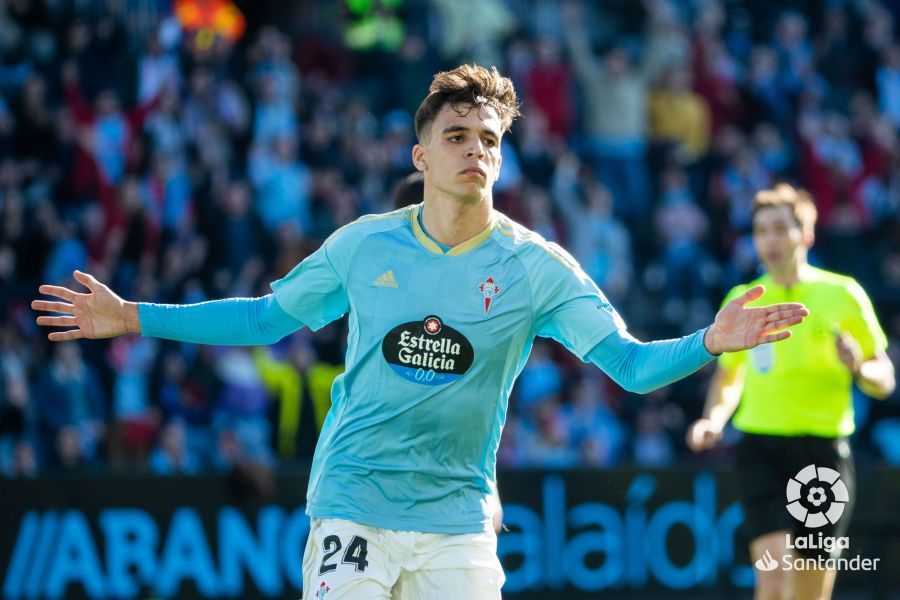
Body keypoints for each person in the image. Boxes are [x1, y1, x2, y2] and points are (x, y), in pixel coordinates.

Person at [33, 65, 809, 599]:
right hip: (352, 502)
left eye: (490, 141)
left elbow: (632, 368)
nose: (476, 150)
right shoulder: (364, 244)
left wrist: (708, 341)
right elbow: (265, 318)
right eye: (459, 135)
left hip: (457, 521)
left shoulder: (537, 267)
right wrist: (133, 314)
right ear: (421, 154)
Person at [686, 183, 895, 600]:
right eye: (761, 230)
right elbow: (729, 378)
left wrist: (859, 367)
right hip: (761, 450)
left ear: (807, 234)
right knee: (774, 579)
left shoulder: (843, 294)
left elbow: (884, 378)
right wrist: (713, 419)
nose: (770, 240)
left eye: (780, 228)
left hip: (823, 454)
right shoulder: (741, 301)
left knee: (807, 592)